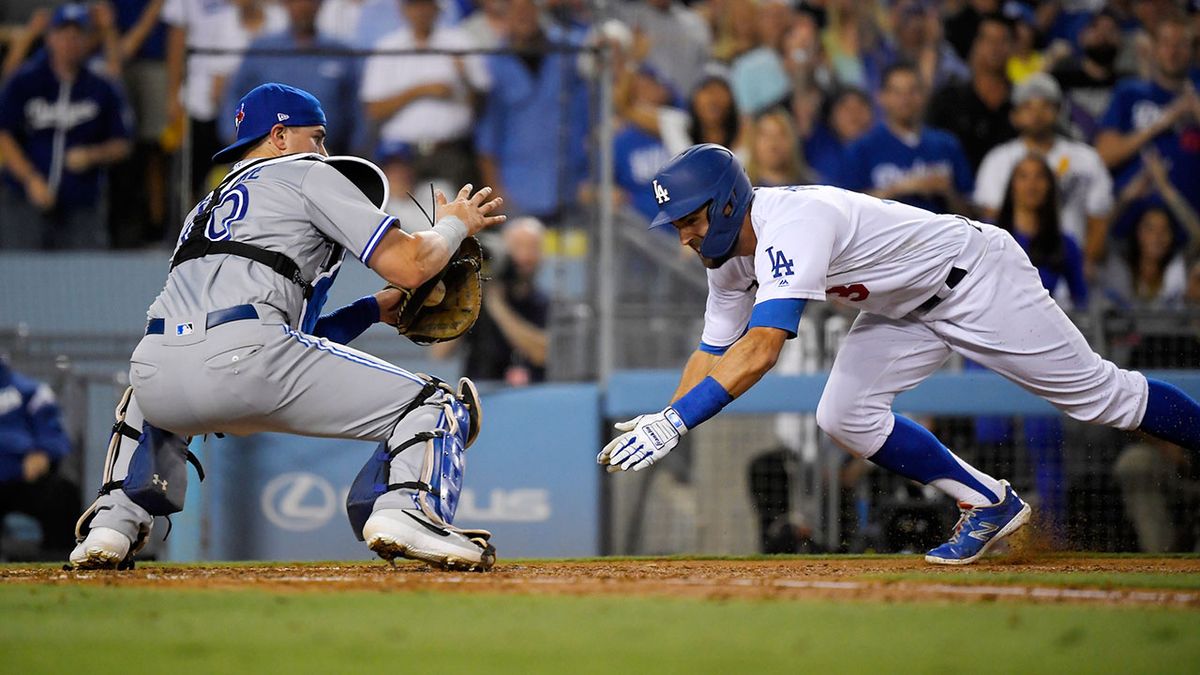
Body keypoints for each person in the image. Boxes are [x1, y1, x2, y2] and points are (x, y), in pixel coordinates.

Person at [598, 143, 1200, 565]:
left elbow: (760, 349)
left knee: (1101, 396)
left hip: (974, 278)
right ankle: (988, 503)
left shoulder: (793, 220)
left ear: (727, 203)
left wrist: (675, 422)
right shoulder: (726, 261)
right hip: (905, 309)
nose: (683, 236)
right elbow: (712, 353)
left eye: (690, 219)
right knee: (842, 414)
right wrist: (665, 421)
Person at [68, 83, 506, 572]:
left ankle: (112, 524)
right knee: (436, 403)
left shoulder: (204, 208)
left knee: (145, 395)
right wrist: (454, 225)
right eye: (316, 136)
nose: (324, 151)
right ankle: (404, 510)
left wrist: (369, 310)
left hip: (159, 368)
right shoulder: (305, 173)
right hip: (249, 359)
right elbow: (411, 265)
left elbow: (293, 338)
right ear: (279, 136)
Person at [0, 3, 133, 250]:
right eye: (63, 34)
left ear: (87, 40)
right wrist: (30, 179)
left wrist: (92, 155)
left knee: (85, 279)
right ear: (50, 37)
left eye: (77, 35)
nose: (70, 42)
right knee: (18, 276)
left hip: (82, 204)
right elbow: (3, 132)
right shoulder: (26, 80)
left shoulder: (100, 85)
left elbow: (122, 142)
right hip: (23, 201)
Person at [974, 73, 1113, 269]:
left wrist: (1082, 267)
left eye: (1046, 106)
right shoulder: (998, 160)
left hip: (1070, 265)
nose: (1037, 114)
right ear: (1015, 115)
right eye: (1028, 106)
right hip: (1012, 268)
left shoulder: (1086, 159)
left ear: (1059, 111)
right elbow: (992, 221)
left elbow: (1099, 219)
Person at [360, 0, 489, 188]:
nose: (420, 11)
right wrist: (422, 90)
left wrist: (464, 77)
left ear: (437, 9)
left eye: (426, 5)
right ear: (403, 9)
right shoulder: (387, 47)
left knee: (456, 214)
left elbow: (481, 102)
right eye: (414, 5)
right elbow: (374, 109)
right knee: (402, 215)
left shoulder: (459, 42)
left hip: (450, 151)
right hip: (401, 155)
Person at [1095, 15, 1200, 228]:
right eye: (1166, 43)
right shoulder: (1129, 93)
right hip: (1129, 225)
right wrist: (1163, 122)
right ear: (1154, 48)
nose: (1173, 52)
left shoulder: (1197, 98)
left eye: (1181, 44)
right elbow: (1104, 156)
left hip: (1190, 230)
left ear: (1193, 50)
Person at [225, 0, 361, 159]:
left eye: (309, 2)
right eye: (295, 2)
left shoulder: (340, 52)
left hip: (328, 155)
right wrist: (236, 140)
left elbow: (356, 109)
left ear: (319, 5)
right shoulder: (263, 49)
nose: (303, 7)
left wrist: (355, 153)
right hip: (269, 154)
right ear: (285, 4)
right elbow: (234, 95)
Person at [840, 63, 973, 216]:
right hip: (887, 237)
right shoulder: (861, 149)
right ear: (881, 97)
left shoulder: (947, 145)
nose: (905, 100)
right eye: (897, 92)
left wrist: (947, 191)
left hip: (941, 235)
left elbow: (971, 214)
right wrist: (899, 188)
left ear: (924, 95)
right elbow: (847, 211)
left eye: (913, 91)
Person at [435, 217, 550, 386]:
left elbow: (542, 354)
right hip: (477, 393)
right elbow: (440, 352)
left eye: (532, 248)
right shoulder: (474, 299)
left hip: (529, 397)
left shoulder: (543, 303)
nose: (524, 256)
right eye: (517, 247)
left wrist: (497, 306)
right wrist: (467, 294)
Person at [0, 357, 80, 561]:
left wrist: (43, 452)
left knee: (63, 495)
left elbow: (54, 436)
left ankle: (59, 565)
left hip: (22, 477)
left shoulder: (29, 391)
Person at [927, 14, 1017, 171]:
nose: (995, 48)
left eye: (1003, 41)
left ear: (1013, 47)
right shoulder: (949, 100)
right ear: (976, 45)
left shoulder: (1022, 102)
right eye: (988, 40)